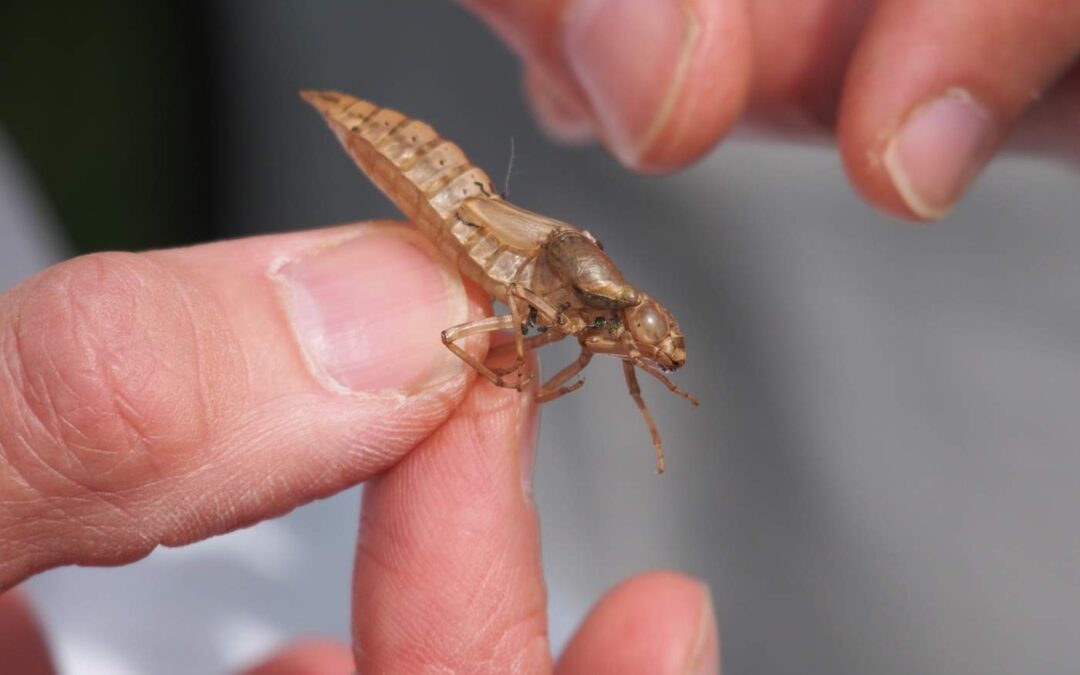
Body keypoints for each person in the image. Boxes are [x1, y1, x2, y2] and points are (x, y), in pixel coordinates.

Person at [1, 1, 1076, 672]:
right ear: (633, 327)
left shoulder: (605, 326)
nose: (649, 358)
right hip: (447, 188)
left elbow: (594, 363)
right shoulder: (592, 310)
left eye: (655, 356)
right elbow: (570, 346)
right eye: (651, 350)